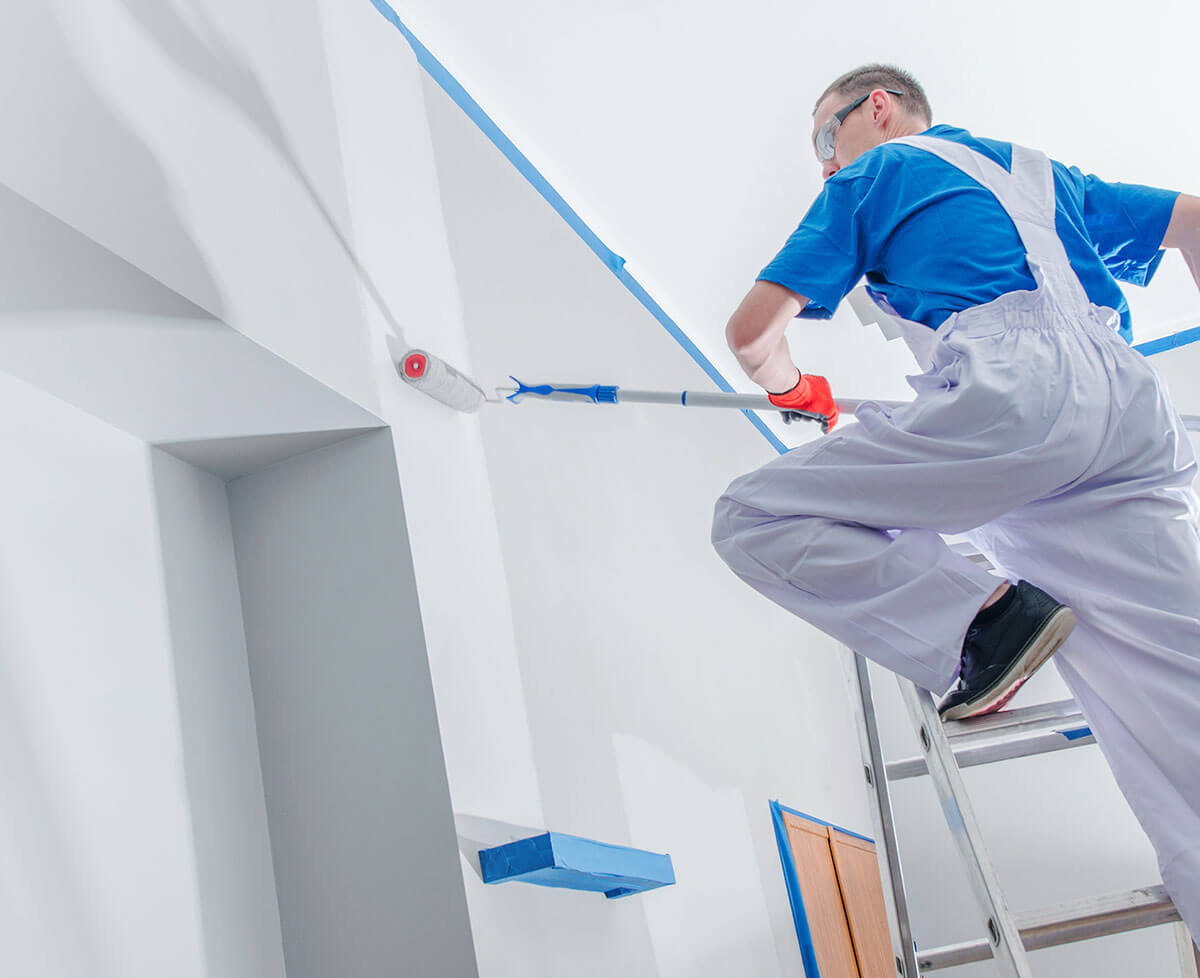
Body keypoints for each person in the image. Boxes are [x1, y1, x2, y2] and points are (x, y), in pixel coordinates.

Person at [710, 64, 1200, 938]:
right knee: (1173, 690)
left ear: (878, 108)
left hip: (1018, 401)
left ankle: (988, 623)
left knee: (755, 515)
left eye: (826, 138)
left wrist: (799, 389)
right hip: (1131, 412)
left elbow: (752, 335)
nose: (826, 165)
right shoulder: (1042, 173)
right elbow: (1196, 220)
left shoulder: (878, 171)